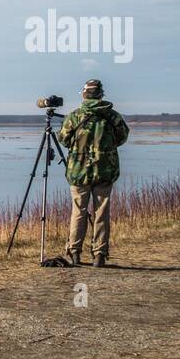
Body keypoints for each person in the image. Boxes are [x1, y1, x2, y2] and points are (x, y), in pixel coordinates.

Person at [58, 79, 129, 267]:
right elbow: (122, 137)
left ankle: (74, 252)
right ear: (100, 94)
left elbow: (64, 140)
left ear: (84, 94)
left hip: (78, 172)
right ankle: (99, 254)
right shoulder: (112, 116)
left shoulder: (74, 117)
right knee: (102, 212)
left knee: (78, 211)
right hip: (105, 171)